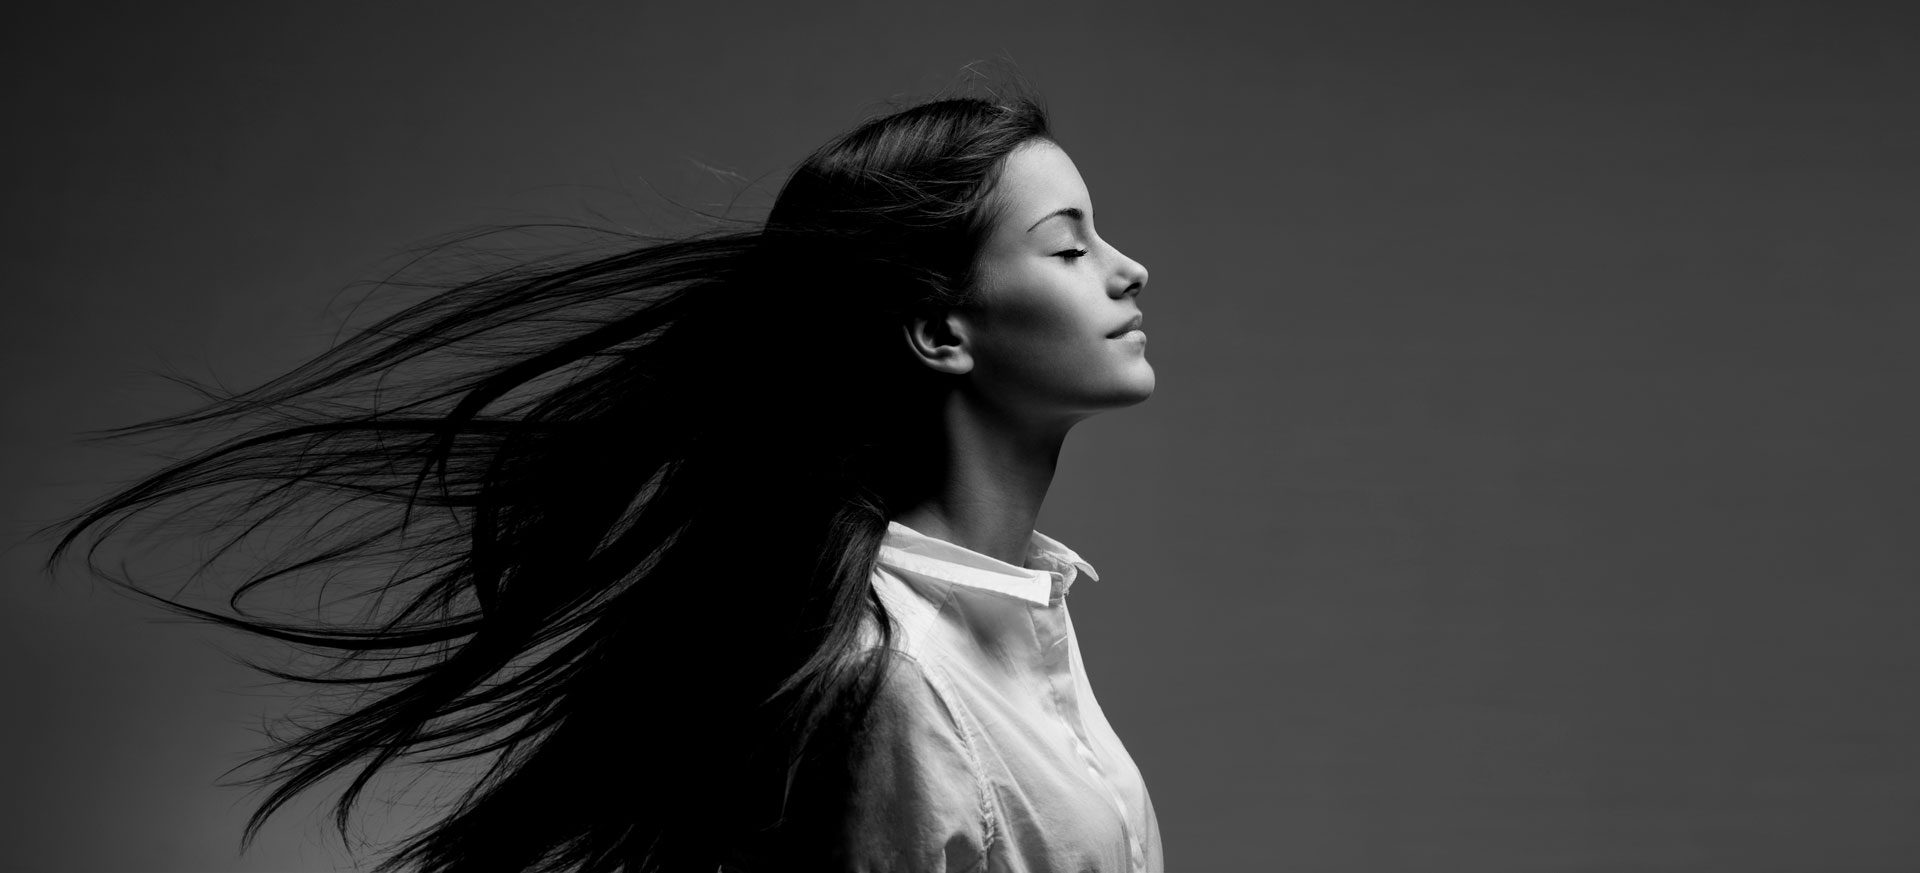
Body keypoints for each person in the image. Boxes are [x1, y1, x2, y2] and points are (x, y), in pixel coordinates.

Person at [43, 81, 1158, 873]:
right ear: (936, 329)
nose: (1127, 268)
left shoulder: (1015, 630)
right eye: (1069, 246)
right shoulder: (905, 690)